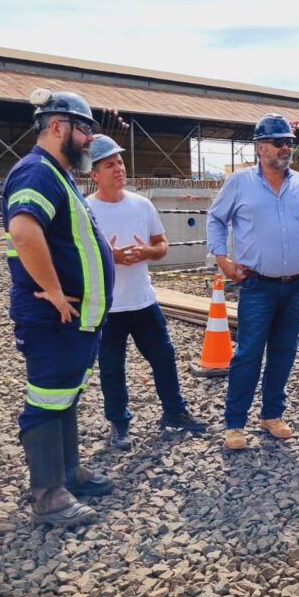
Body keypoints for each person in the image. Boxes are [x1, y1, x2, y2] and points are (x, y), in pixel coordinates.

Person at [2, 88, 115, 527]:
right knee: (47, 399)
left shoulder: (57, 172)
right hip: (54, 318)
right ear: (56, 127)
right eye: (84, 129)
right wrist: (51, 289)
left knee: (65, 394)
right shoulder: (36, 172)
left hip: (76, 318)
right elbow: (24, 230)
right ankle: (49, 496)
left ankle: (68, 473)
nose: (89, 139)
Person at [207, 113, 299, 451]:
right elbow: (216, 218)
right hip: (258, 285)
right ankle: (234, 424)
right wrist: (222, 259)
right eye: (278, 142)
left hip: (295, 285)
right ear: (261, 146)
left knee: (284, 351)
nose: (285, 148)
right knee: (248, 353)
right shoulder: (240, 183)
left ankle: (271, 415)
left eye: (289, 143)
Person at [85, 134, 205, 450]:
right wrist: (110, 257)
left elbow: (162, 246)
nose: (118, 169)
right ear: (94, 174)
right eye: (109, 164)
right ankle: (119, 424)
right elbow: (76, 255)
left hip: (142, 300)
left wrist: (147, 252)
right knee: (112, 368)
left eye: (120, 162)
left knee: (164, 357)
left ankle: (174, 412)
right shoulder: (85, 210)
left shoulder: (142, 204)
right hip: (107, 307)